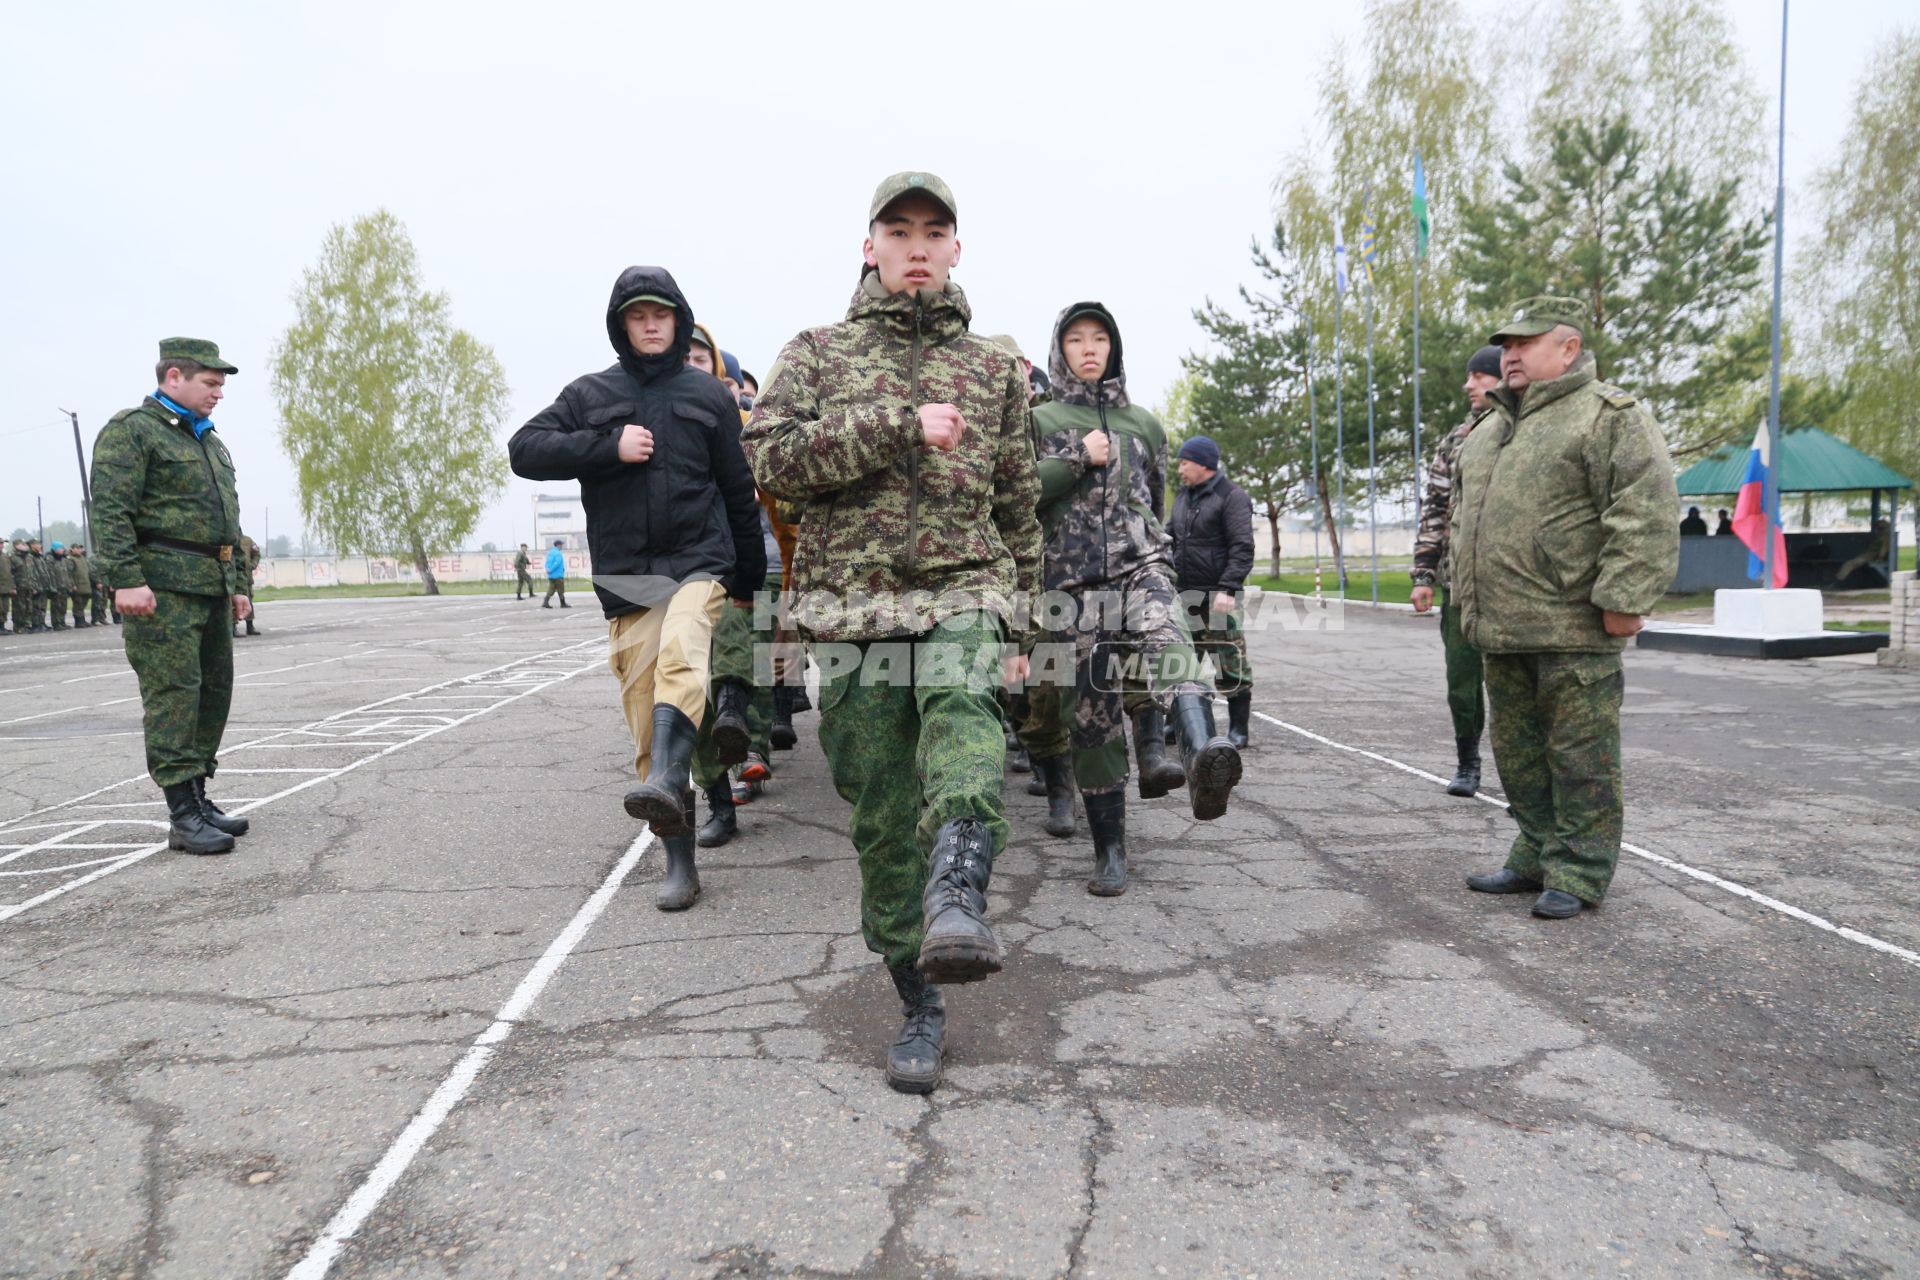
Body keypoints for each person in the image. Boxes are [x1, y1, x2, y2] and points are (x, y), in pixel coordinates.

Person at [742, 171, 1042, 1094]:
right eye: (899, 229)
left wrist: (1024, 622)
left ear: (957, 250)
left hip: (965, 586)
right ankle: (919, 996)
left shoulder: (995, 365)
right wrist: (898, 427)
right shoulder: (819, 354)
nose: (918, 245)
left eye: (935, 231)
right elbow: (771, 459)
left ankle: (960, 893)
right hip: (852, 605)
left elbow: (1019, 503)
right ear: (868, 246)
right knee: (878, 811)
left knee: (963, 706)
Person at [509, 267, 765, 910]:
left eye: (661, 314)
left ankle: (678, 774)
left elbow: (738, 491)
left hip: (698, 562)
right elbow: (525, 450)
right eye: (637, 315)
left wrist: (748, 579)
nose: (651, 325)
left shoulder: (708, 397)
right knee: (646, 722)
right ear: (621, 325)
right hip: (628, 575)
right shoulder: (591, 393)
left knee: (684, 645)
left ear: (678, 320)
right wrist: (606, 446)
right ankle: (680, 859)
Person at [1450, 297, 1679, 920]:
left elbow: (1645, 513)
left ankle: (1578, 869)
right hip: (1501, 628)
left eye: (1526, 342)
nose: (1511, 354)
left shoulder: (1609, 417)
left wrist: (1625, 601)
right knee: (1519, 756)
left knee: (1581, 758)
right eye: (1507, 344)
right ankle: (1537, 851)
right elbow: (1462, 522)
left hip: (1573, 626)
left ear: (1569, 348)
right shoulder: (1489, 429)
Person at [1035, 301, 1242, 901]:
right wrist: (1079, 458)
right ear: (1062, 349)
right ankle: (1110, 852)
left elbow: (1151, 498)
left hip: (1140, 562)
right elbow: (1018, 491)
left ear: (1115, 348)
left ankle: (1206, 755)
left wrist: (1150, 544)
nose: (1090, 348)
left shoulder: (1146, 424)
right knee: (1093, 716)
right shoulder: (1041, 418)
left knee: (1171, 639)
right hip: (1072, 585)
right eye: (1077, 339)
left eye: (1101, 338)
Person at [90, 337, 255, 855]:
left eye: (221, 386)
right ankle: (182, 814)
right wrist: (124, 578)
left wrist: (238, 586)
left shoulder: (207, 440)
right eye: (210, 383)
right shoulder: (133, 433)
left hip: (210, 585)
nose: (218, 394)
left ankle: (200, 798)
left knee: (212, 693)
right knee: (174, 696)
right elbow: (110, 511)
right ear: (174, 377)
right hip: (162, 589)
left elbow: (227, 518)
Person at [987, 333, 1074, 838]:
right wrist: (1073, 462)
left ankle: (1064, 790)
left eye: (1012, 365)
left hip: (1062, 568)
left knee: (1054, 684)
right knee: (1018, 688)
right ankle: (1045, 768)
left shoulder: (1050, 417)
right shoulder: (979, 417)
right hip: (1000, 573)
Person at [1410, 344, 1504, 796]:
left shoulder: (1523, 431)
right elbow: (1435, 510)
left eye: (1479, 376)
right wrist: (1423, 575)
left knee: (1516, 689)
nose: (1469, 384)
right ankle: (1468, 764)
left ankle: (1524, 784)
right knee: (1462, 681)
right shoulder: (1455, 439)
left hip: (1512, 584)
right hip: (1460, 586)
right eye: (1469, 376)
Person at [1168, 435, 1256, 748]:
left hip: (1218, 598)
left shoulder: (1231, 496)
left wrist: (1228, 588)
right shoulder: (1183, 496)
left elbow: (1242, 546)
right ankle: (1179, 724)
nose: (1180, 468)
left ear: (1203, 463)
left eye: (1184, 461)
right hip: (1184, 596)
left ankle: (1238, 729)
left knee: (1229, 663)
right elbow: (1170, 538)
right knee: (1181, 663)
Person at [1834, 519, 1891, 585]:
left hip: (1868, 558)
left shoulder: (1883, 539)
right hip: (1867, 556)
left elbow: (1883, 551)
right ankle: (1839, 580)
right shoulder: (1884, 537)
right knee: (1850, 563)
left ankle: (1838, 582)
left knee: (1848, 564)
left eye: (1878, 529)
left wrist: (1879, 559)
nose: (1876, 531)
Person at [231, 535, 260, 636]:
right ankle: (233, 627)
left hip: (246, 577)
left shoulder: (248, 540)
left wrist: (253, 565)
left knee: (249, 601)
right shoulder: (230, 539)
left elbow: (256, 553)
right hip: (234, 577)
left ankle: (250, 626)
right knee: (234, 603)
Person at [541, 540, 568, 608]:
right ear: (558, 545)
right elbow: (557, 563)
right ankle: (563, 603)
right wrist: (551, 570)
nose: (562, 546)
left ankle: (545, 602)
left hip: (551, 575)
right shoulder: (558, 553)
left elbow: (547, 563)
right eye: (561, 545)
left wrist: (548, 570)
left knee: (551, 589)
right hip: (558, 575)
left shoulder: (550, 553)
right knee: (560, 590)